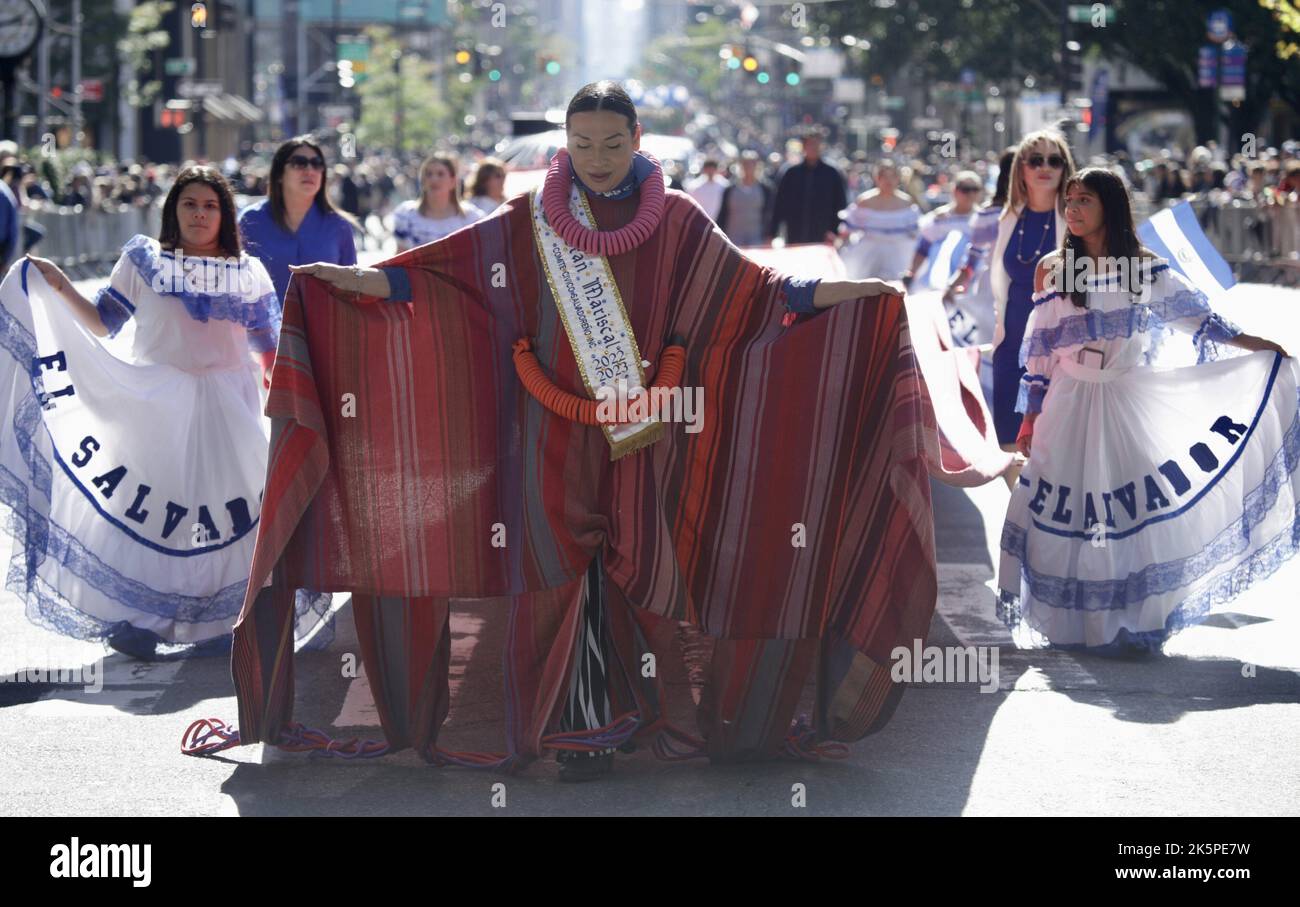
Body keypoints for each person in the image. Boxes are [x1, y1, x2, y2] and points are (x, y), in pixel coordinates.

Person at [199, 81, 991, 781]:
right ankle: (585, 731)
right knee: (564, 571)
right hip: (551, 430)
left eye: (613, 143)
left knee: (639, 566)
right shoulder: (526, 221)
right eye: (582, 144)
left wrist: (846, 295)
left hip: (649, 431)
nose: (598, 156)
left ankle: (652, 707)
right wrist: (359, 284)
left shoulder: (676, 220)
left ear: (637, 141)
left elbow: (753, 292)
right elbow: (442, 276)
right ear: (564, 145)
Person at [0, 166, 329, 659]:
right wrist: (61, 286)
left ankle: (227, 618)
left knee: (231, 519)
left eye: (210, 205)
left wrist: (290, 409)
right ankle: (136, 620)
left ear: (225, 214)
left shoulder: (247, 273)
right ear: (173, 210)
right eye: (190, 204)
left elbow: (268, 355)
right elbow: (105, 323)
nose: (199, 214)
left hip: (230, 412)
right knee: (151, 517)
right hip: (156, 406)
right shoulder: (143, 260)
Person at [997, 167, 1296, 655]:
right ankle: (1067, 622)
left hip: (1124, 397)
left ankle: (1127, 620)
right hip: (1069, 401)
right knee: (1058, 503)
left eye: (1084, 201)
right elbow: (1041, 350)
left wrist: (1250, 343)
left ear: (1109, 208)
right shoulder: (1053, 268)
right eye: (1069, 201)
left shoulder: (1141, 266)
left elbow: (1192, 315)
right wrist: (1030, 415)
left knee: (1124, 510)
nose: (1071, 210)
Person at [989, 130, 1074, 461]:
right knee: (1010, 445)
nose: (1046, 167)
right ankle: (1023, 511)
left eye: (1055, 160)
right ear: (1021, 168)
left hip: (1059, 351)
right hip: (1011, 347)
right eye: (1036, 159)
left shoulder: (1076, 217)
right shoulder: (1009, 216)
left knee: (1052, 446)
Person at [238, 137, 358, 305]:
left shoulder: (339, 226)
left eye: (317, 164)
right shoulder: (250, 221)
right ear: (279, 174)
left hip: (323, 328)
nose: (309, 170)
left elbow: (351, 290)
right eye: (299, 163)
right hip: (264, 329)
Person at [943, 149, 1016, 349]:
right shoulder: (990, 216)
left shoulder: (1050, 214)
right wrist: (950, 288)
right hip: (992, 296)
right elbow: (973, 258)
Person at [838, 159, 921, 281]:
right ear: (877, 178)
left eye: (892, 176)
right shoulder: (864, 201)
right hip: (867, 253)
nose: (889, 181)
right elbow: (848, 231)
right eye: (884, 177)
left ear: (898, 178)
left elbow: (915, 234)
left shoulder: (907, 202)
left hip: (899, 254)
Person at [903, 169, 982, 289]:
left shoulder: (982, 219)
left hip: (972, 287)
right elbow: (923, 249)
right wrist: (911, 273)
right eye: (965, 189)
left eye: (975, 189)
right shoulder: (940, 218)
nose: (970, 194)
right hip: (937, 284)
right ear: (955, 190)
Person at [767, 126, 847, 244]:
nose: (813, 147)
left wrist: (834, 231)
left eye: (816, 144)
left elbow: (841, 205)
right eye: (810, 144)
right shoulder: (790, 172)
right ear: (803, 146)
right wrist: (772, 232)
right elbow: (779, 204)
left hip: (823, 238)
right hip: (795, 235)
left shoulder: (832, 173)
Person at [391, 153, 484, 253]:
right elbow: (399, 258)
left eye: (440, 174)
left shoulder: (471, 218)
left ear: (453, 181)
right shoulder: (407, 215)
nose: (434, 179)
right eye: (429, 174)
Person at [716, 150, 773, 247]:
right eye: (746, 164)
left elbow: (769, 214)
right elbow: (723, 213)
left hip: (757, 238)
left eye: (752, 164)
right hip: (733, 239)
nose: (749, 167)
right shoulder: (730, 189)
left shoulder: (766, 189)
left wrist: (769, 235)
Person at [685, 158, 727, 222]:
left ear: (716, 169)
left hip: (719, 221)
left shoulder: (724, 186)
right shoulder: (695, 186)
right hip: (701, 221)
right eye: (708, 169)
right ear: (704, 170)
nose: (710, 172)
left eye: (712, 169)